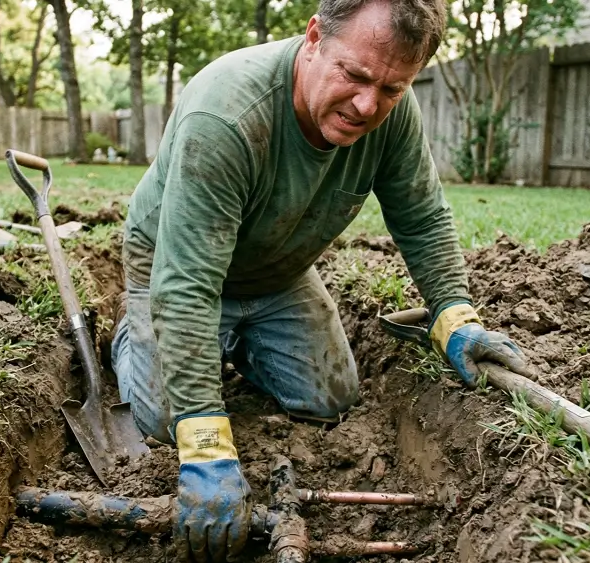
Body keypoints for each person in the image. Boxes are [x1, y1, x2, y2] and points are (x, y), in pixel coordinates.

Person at [110, 0, 531, 560]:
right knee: (169, 423)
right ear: (314, 37)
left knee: (329, 398)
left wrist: (454, 313)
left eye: (392, 89)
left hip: (276, 272)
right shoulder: (227, 115)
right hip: (174, 265)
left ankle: (229, 339)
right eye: (354, 75)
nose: (367, 104)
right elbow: (187, 284)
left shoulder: (392, 116)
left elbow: (421, 215)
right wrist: (207, 445)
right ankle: (134, 333)